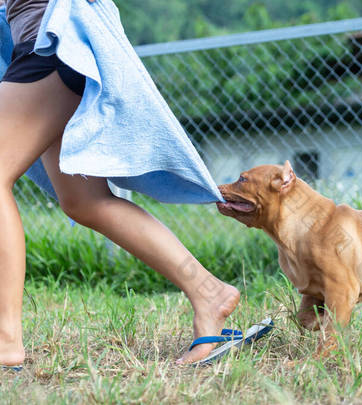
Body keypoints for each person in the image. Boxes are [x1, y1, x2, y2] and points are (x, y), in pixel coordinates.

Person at [0, 0, 240, 368]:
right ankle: (209, 292)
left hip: (52, 45)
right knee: (84, 201)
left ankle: (5, 342)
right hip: (40, 48)